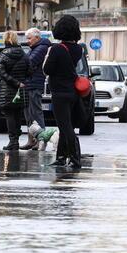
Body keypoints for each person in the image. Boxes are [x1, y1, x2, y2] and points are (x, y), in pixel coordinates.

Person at [43, 15, 85, 169]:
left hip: (59, 92)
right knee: (65, 125)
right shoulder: (78, 49)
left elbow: (47, 69)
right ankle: (61, 157)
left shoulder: (56, 49)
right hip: (72, 91)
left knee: (65, 126)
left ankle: (75, 157)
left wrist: (48, 56)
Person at [0, 30, 30, 151]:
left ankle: (13, 141)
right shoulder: (23, 53)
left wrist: (14, 82)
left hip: (7, 90)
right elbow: (30, 70)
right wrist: (21, 81)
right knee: (17, 115)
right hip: (21, 90)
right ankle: (16, 140)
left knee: (9, 114)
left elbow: (1, 72)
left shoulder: (4, 54)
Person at [23, 28, 51, 149]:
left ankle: (41, 140)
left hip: (34, 84)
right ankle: (31, 140)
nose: (27, 41)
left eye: (29, 38)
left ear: (37, 38)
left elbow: (29, 62)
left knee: (36, 113)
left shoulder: (41, 48)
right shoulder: (35, 48)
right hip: (29, 84)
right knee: (29, 114)